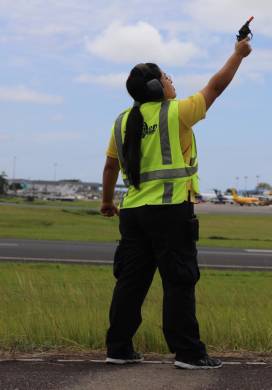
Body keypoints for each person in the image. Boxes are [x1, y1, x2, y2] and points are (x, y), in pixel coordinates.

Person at [100, 38, 252, 369]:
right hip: (170, 212)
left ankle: (119, 348)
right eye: (167, 77)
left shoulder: (121, 121)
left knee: (130, 282)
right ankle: (188, 353)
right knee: (179, 282)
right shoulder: (177, 112)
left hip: (134, 214)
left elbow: (111, 166)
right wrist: (238, 55)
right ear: (157, 86)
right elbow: (216, 86)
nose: (172, 81)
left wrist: (107, 201)